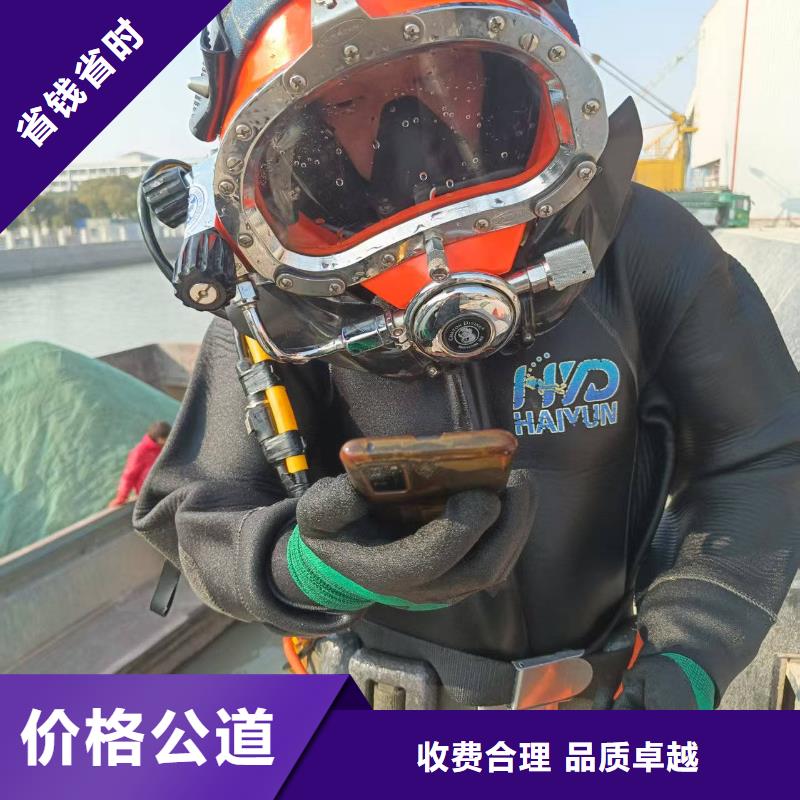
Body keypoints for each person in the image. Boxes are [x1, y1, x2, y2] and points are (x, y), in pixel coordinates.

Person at [134, 0, 800, 709]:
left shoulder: (642, 245)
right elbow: (194, 511)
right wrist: (310, 568)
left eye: (443, 75)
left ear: (515, 75)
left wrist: (691, 654)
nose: (410, 132)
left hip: (608, 699)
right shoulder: (274, 304)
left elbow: (760, 452)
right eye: (351, 100)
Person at [110, 421, 171, 508]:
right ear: (159, 439)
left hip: (167, 489)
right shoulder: (139, 452)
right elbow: (128, 476)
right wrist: (121, 497)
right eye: (167, 438)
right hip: (149, 495)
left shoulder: (168, 446)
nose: (169, 440)